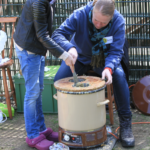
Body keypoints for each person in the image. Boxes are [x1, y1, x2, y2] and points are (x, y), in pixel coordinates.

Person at [52, 0, 135, 147]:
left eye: (103, 23)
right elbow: (57, 34)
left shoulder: (119, 21)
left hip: (104, 60)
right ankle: (72, 121)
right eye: (95, 20)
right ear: (92, 10)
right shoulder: (80, 14)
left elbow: (116, 51)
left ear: (112, 17)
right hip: (79, 57)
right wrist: (69, 48)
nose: (98, 25)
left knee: (120, 76)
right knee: (59, 79)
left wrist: (109, 68)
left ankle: (125, 123)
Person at [13, 0, 76, 150]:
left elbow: (44, 29)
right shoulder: (38, 2)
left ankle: (41, 129)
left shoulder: (49, 1)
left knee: (39, 90)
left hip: (37, 48)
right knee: (32, 92)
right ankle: (33, 135)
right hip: (28, 49)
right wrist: (64, 56)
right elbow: (42, 34)